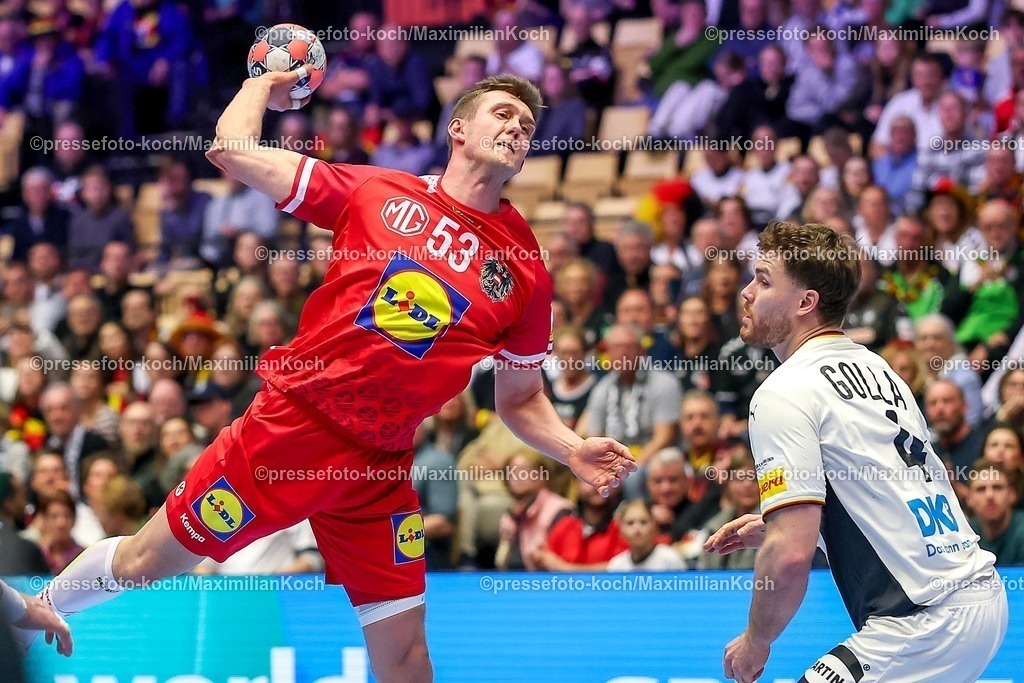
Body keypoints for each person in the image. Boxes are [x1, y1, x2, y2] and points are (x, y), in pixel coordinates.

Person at [23, 69, 637, 682]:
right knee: (141, 563)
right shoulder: (377, 191)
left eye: (527, 124)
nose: (517, 127)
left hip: (378, 467)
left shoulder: (525, 269)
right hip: (291, 430)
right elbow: (230, 151)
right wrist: (261, 83)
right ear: (457, 129)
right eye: (502, 114)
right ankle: (35, 613)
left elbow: (521, 398)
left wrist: (572, 448)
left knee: (406, 655)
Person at [705, 221, 1007, 683]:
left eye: (763, 281)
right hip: (982, 597)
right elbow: (883, 490)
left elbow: (789, 557)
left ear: (805, 302)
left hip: (923, 619)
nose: (746, 292)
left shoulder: (783, 391)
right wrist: (789, 524)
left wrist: (756, 640)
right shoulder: (880, 368)